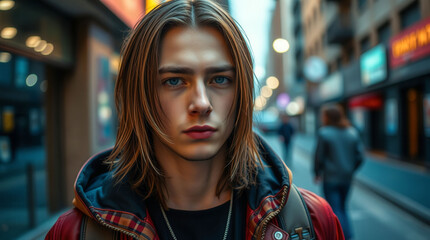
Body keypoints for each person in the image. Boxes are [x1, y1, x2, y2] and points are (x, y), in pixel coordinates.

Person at [46, 1, 344, 239]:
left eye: (219, 79)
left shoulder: (313, 222)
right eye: (174, 81)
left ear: (241, 93)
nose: (201, 103)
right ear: (140, 95)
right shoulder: (74, 233)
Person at [314, 104, 364, 240]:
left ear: (328, 117)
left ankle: (342, 236)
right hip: (347, 178)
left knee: (335, 209)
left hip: (330, 178)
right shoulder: (352, 132)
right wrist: (350, 170)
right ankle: (347, 235)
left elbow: (319, 156)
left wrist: (317, 173)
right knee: (343, 207)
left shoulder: (324, 133)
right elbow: (360, 157)